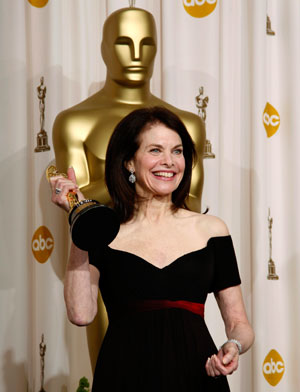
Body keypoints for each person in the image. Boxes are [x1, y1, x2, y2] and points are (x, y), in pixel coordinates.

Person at [50, 107, 254, 391]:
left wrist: (233, 346)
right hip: (123, 377)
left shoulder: (212, 230)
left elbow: (239, 324)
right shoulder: (105, 233)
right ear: (129, 162)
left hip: (197, 377)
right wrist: (80, 217)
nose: (169, 162)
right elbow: (81, 314)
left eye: (178, 151)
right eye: (155, 150)